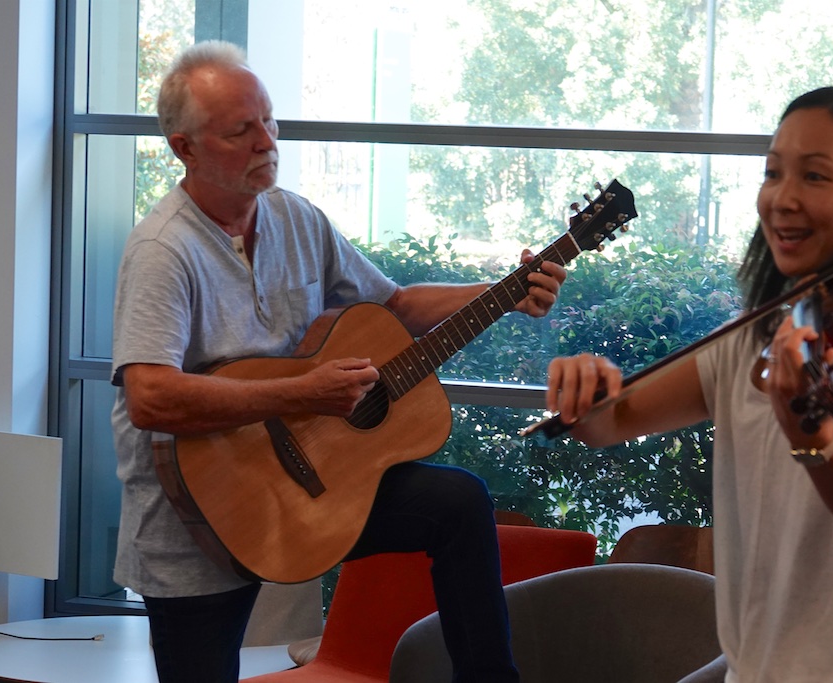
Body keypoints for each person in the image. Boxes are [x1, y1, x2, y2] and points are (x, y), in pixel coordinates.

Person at [110, 40, 567, 683]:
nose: (266, 141)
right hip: (197, 522)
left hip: (306, 493)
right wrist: (304, 392)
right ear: (184, 148)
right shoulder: (163, 251)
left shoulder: (297, 218)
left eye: (269, 120)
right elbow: (151, 396)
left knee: (458, 503)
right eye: (241, 131)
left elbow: (395, 306)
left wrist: (505, 292)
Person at [545, 86, 833, 681]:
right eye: (773, 173)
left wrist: (810, 436)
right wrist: (584, 387)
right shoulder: (752, 337)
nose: (782, 198)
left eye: (815, 176)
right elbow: (611, 422)